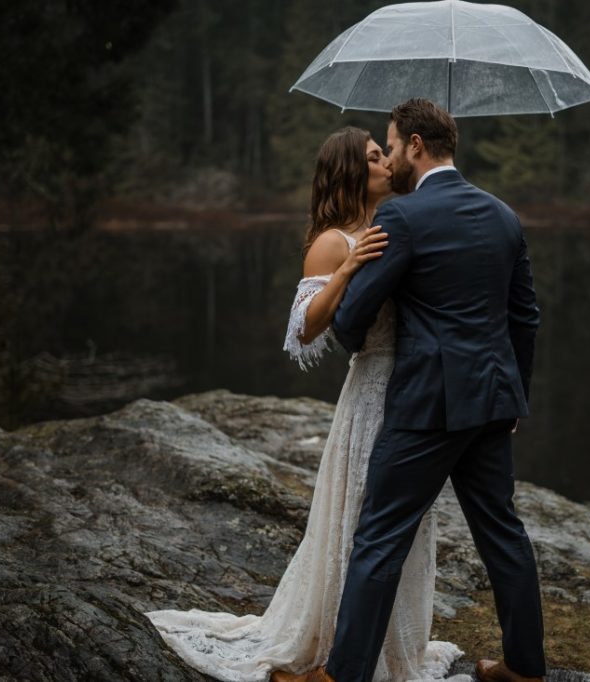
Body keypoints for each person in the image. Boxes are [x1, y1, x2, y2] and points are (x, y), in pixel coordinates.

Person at [145, 127, 466, 682]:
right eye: (373, 157)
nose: (386, 162)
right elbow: (306, 327)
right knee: (366, 519)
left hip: (417, 390)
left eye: (384, 152)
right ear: (350, 172)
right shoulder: (334, 240)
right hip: (373, 391)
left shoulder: (398, 223)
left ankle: (393, 648)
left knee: (404, 526)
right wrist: (346, 269)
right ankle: (340, 647)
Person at [279, 99, 545, 682]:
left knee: (379, 537)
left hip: (426, 403)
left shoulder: (402, 219)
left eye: (393, 145)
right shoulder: (503, 214)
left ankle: (342, 676)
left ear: (417, 146)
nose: (390, 155)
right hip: (493, 402)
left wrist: (356, 307)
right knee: (502, 531)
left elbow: (350, 327)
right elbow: (524, 318)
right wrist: (513, 396)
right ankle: (525, 668)